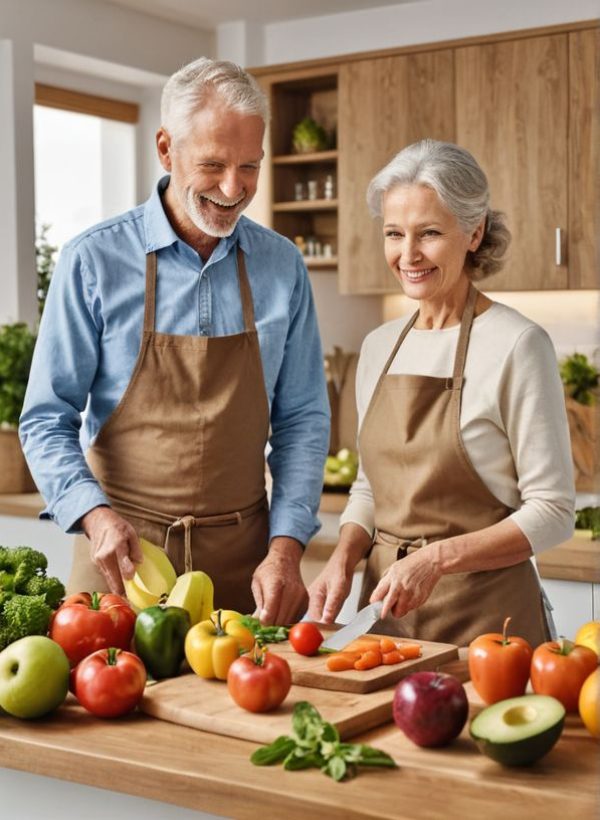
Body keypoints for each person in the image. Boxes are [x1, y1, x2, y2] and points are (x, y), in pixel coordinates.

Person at [20, 57, 330, 624]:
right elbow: (44, 418)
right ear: (166, 149)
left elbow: (303, 420)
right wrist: (93, 515)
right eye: (212, 165)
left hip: (248, 570)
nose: (234, 189)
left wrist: (287, 547)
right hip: (120, 561)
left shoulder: (282, 266)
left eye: (249, 167)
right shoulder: (94, 261)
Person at [307, 139, 575, 647]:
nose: (407, 255)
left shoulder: (518, 344)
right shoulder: (379, 346)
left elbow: (554, 511)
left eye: (428, 233)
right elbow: (370, 487)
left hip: (492, 628)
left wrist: (435, 560)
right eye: (393, 234)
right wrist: (343, 558)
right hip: (386, 621)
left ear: (474, 233)